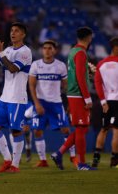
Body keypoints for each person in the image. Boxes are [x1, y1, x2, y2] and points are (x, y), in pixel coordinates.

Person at [0, 22, 32, 173]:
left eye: (17, 31)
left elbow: (13, 69)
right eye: (12, 30)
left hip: (17, 99)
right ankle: (7, 160)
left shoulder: (26, 52)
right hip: (5, 97)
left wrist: (1, 53)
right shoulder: (7, 49)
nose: (13, 33)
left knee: (16, 131)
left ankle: (15, 165)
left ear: (23, 35)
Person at [51, 27, 95, 171]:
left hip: (73, 93)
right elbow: (80, 78)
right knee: (82, 128)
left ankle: (59, 153)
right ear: (89, 37)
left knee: (82, 128)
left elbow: (79, 75)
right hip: (78, 95)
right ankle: (81, 163)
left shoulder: (72, 51)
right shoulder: (81, 53)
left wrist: (87, 78)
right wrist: (87, 98)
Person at [29, 40, 76, 167]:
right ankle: (43, 160)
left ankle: (73, 157)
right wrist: (37, 103)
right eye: (44, 48)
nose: (47, 50)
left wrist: (70, 103)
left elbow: (66, 86)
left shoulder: (60, 66)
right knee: (37, 131)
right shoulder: (35, 65)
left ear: (55, 50)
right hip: (41, 103)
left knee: (66, 129)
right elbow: (31, 85)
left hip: (56, 103)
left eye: (50, 48)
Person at [92, 37, 118, 168]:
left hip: (106, 101)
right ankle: (114, 160)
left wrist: (103, 102)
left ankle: (96, 158)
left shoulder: (101, 64)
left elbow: (97, 83)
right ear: (115, 47)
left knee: (103, 129)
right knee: (116, 131)